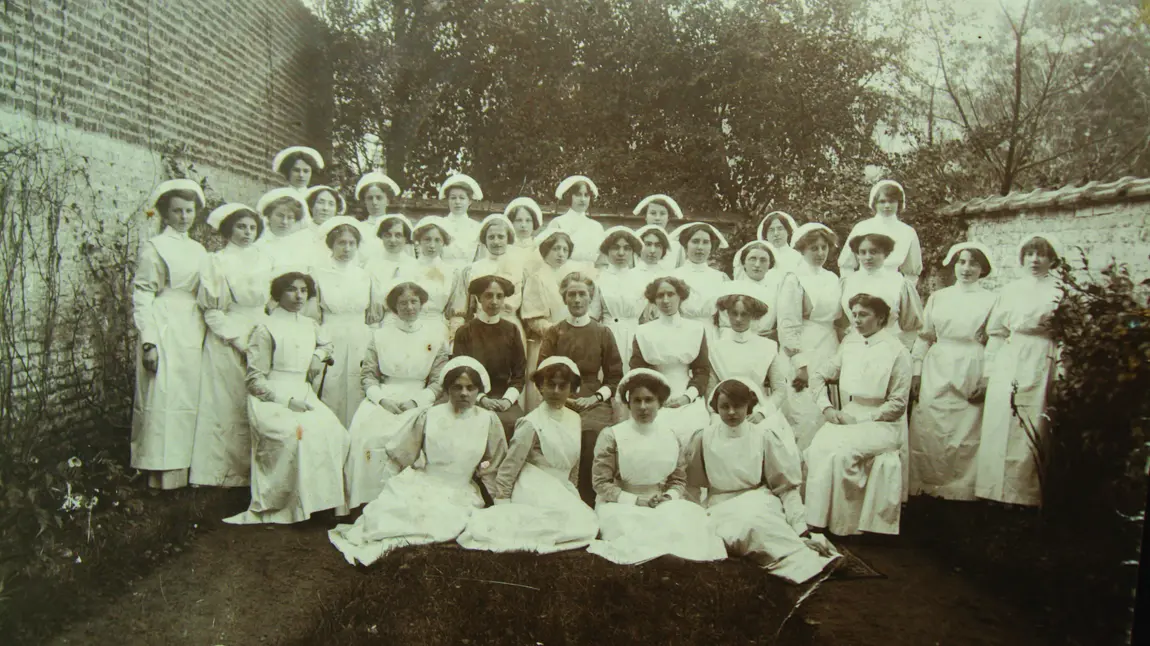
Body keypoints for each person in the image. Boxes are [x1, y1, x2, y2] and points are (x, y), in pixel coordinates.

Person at [328, 357, 508, 566]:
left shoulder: (488, 420)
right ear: (447, 389)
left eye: (470, 388)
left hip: (461, 491)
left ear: (479, 390)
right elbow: (402, 454)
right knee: (402, 517)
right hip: (425, 483)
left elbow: (494, 462)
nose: (464, 393)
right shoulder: (429, 415)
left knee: (445, 520)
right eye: (457, 387)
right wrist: (392, 488)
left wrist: (498, 499)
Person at [224, 272, 350, 525]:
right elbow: (254, 380)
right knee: (296, 434)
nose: (298, 296)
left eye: (304, 290)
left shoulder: (309, 325)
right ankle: (288, 505)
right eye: (291, 290)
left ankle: (320, 503)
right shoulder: (265, 328)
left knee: (336, 433)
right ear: (278, 294)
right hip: (272, 398)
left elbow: (326, 345)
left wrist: (318, 356)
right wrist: (285, 401)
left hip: (303, 392)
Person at [684, 378, 839, 583]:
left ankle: (801, 551)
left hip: (758, 499)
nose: (731, 412)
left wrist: (801, 529)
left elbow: (786, 488)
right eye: (725, 406)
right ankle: (799, 559)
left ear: (749, 406)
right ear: (716, 408)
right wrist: (693, 523)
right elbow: (692, 487)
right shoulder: (703, 438)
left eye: (738, 406)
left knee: (758, 519)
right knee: (748, 525)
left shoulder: (763, 436)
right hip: (720, 506)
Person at [457, 356, 599, 553]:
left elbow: (572, 465)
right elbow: (510, 466)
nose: (556, 391)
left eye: (562, 386)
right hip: (535, 486)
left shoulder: (574, 419)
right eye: (550, 385)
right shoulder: (531, 423)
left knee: (584, 524)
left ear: (571, 388)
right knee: (559, 528)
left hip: (560, 486)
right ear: (540, 387)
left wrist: (571, 492)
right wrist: (503, 502)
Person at [586, 369, 727, 565]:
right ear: (628, 403)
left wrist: (668, 497)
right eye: (637, 400)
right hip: (621, 505)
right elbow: (600, 483)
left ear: (659, 403)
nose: (643, 407)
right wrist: (636, 501)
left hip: (660, 501)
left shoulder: (670, 435)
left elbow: (678, 479)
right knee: (637, 531)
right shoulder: (612, 435)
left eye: (649, 400)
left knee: (690, 518)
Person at [805, 293, 911, 536]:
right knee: (819, 447)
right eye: (854, 314)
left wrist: (862, 420)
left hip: (884, 423)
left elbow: (897, 404)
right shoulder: (850, 343)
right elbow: (819, 375)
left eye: (864, 315)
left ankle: (846, 526)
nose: (856, 320)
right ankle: (818, 520)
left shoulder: (898, 351)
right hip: (850, 414)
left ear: (881, 318)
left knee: (842, 453)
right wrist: (827, 408)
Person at [975, 234, 1064, 507]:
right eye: (1030, 254)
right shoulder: (1011, 290)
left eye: (1041, 254)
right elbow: (997, 332)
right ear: (1022, 258)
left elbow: (1064, 335)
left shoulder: (1059, 291)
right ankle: (993, 492)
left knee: (1030, 421)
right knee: (1000, 421)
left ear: (1052, 259)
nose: (1035, 260)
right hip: (1010, 355)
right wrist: (990, 371)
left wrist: (1061, 372)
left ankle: (1024, 495)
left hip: (1041, 356)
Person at [344, 282, 451, 509]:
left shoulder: (436, 336)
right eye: (403, 303)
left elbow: (438, 380)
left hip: (420, 398)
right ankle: (367, 501)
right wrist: (382, 400)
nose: (409, 307)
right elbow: (368, 376)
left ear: (422, 304)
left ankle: (409, 504)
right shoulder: (379, 336)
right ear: (394, 307)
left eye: (414, 302)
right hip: (384, 397)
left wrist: (416, 401)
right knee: (366, 435)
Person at [131, 179, 208, 490]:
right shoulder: (154, 248)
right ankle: (157, 475)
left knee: (188, 397)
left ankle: (184, 472)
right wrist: (149, 341)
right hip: (163, 323)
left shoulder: (199, 249)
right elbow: (143, 294)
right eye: (177, 211)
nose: (184, 217)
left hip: (193, 325)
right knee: (161, 395)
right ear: (164, 214)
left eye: (189, 211)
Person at [191, 203, 272, 488]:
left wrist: (263, 338)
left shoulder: (265, 259)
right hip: (228, 336)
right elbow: (211, 310)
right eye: (241, 227)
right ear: (228, 230)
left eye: (252, 228)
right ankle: (224, 475)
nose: (247, 233)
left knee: (259, 401)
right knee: (227, 404)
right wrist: (237, 340)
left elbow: (272, 302)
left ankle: (258, 474)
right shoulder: (217, 261)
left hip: (260, 333)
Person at [908, 242, 998, 501]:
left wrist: (987, 377)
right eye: (962, 262)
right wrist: (916, 371)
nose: (967, 268)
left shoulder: (991, 300)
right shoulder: (939, 297)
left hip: (972, 363)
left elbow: (995, 342)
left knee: (967, 429)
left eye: (974, 263)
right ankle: (927, 487)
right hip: (937, 365)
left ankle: (963, 492)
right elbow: (925, 337)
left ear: (983, 269)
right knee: (931, 426)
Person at [538, 272, 625, 504]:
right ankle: (556, 498)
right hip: (558, 399)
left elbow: (615, 376)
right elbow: (541, 373)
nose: (576, 300)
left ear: (590, 298)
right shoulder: (554, 332)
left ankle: (587, 500)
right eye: (571, 294)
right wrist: (562, 399)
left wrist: (596, 397)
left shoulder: (603, 332)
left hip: (593, 402)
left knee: (591, 439)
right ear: (564, 299)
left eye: (582, 294)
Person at [777, 223, 844, 450]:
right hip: (803, 350)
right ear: (802, 250)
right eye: (813, 248)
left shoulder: (833, 279)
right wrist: (800, 364)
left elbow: (840, 320)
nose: (820, 253)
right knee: (804, 412)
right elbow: (788, 325)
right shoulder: (793, 279)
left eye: (824, 247)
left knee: (828, 410)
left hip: (829, 346)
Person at [309, 216, 377, 428]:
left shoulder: (365, 276)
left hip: (359, 337)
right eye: (341, 243)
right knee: (330, 387)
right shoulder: (318, 274)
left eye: (351, 243)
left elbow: (372, 316)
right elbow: (312, 315)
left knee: (357, 388)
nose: (347, 248)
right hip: (330, 336)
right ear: (331, 244)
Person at [630, 276, 711, 443]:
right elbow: (637, 372)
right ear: (653, 299)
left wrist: (687, 397)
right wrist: (656, 398)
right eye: (660, 296)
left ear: (680, 296)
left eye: (671, 294)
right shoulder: (643, 332)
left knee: (694, 430)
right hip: (654, 397)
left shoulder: (695, 329)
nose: (665, 300)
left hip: (688, 395)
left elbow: (702, 371)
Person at [706, 286, 794, 438]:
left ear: (753, 315)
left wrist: (763, 413)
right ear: (727, 313)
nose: (738, 319)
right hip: (724, 411)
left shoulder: (767, 346)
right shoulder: (716, 347)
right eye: (734, 313)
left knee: (767, 437)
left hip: (757, 410)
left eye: (744, 314)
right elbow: (711, 389)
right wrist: (717, 412)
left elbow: (780, 389)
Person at [452, 275, 527, 438]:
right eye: (488, 295)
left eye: (499, 296)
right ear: (479, 298)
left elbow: (520, 373)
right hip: (470, 396)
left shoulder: (512, 330)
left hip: (503, 397)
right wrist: (481, 398)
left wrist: (507, 400)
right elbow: (457, 372)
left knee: (515, 423)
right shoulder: (465, 331)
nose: (494, 301)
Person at [520, 230, 587, 410]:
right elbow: (533, 318)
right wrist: (559, 332)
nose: (561, 254)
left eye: (565, 250)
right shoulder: (537, 278)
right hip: (546, 343)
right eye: (556, 248)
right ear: (545, 251)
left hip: (572, 340)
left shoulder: (572, 278)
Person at [839, 224, 924, 350]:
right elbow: (840, 323)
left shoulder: (899, 282)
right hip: (854, 347)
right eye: (862, 252)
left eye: (874, 252)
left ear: (885, 254)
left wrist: (901, 350)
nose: (868, 257)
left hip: (888, 346)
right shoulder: (848, 282)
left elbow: (911, 326)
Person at [837, 180, 923, 286]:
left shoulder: (907, 232)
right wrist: (852, 287)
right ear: (874, 203)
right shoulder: (862, 227)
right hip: (863, 284)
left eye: (891, 201)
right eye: (882, 201)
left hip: (893, 285)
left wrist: (903, 292)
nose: (887, 206)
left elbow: (912, 272)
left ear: (899, 203)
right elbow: (847, 265)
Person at [396, 216, 465, 339]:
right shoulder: (405, 269)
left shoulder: (451, 272)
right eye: (427, 239)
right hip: (408, 329)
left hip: (437, 330)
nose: (432, 245)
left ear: (444, 242)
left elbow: (455, 309)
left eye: (437, 240)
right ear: (419, 241)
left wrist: (453, 334)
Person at [459, 213, 528, 333]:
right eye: (491, 237)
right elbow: (467, 307)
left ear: (508, 238)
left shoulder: (520, 268)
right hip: (480, 327)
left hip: (511, 328)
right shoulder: (473, 269)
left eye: (501, 237)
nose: (496, 242)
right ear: (484, 240)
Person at [596, 226, 648, 368]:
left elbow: (645, 318)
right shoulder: (599, 278)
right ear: (607, 251)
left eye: (627, 248)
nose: (621, 253)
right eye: (615, 248)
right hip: (607, 336)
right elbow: (593, 316)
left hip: (635, 337)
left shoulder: (641, 280)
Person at [537, 175, 605, 264]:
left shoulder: (596, 226)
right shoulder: (558, 223)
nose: (583, 199)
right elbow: (547, 253)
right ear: (569, 197)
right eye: (578, 195)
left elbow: (602, 256)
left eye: (586, 195)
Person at [670, 222, 730, 322]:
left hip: (711, 332)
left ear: (711, 247)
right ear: (686, 245)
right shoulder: (673, 276)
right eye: (695, 241)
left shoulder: (721, 278)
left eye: (705, 242)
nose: (700, 247)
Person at [365, 214, 418, 325]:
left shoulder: (414, 265)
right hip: (378, 322)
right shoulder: (371, 265)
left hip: (407, 322)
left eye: (398, 235)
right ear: (381, 237)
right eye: (387, 235)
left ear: (405, 238)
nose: (392, 240)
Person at [255, 187, 316, 274]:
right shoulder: (258, 245)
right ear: (269, 215)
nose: (284, 222)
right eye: (280, 215)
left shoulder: (301, 247)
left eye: (290, 217)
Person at [729, 240, 781, 336]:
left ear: (770, 264)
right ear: (744, 263)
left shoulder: (777, 291)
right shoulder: (732, 289)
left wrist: (775, 333)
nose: (757, 265)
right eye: (752, 259)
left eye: (763, 260)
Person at [353, 171, 404, 265]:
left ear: (388, 200)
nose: (374, 202)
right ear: (364, 202)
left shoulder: (399, 226)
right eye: (370, 198)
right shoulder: (358, 228)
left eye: (379, 198)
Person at [437, 173, 484, 267]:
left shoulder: (477, 227)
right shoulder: (439, 225)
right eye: (453, 198)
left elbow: (480, 259)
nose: (457, 202)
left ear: (469, 201)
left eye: (462, 198)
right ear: (448, 200)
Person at [633, 194, 685, 270]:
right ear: (645, 217)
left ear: (668, 218)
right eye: (653, 213)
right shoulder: (635, 242)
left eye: (662, 214)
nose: (657, 218)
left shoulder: (676, 246)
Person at [504, 196, 543, 264]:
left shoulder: (539, 247)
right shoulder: (504, 247)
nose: (523, 225)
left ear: (534, 222)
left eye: (528, 220)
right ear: (511, 222)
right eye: (518, 220)